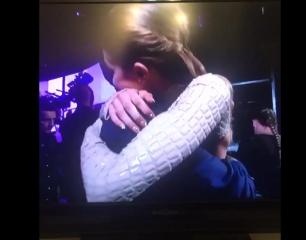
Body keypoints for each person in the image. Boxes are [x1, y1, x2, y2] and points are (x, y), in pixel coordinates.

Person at [81, 4, 255, 202]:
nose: (112, 82)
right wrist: (226, 154)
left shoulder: (137, 121)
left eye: (112, 70)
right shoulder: (132, 116)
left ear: (140, 73)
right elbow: (236, 189)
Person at [60, 84, 98, 203]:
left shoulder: (67, 121)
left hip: (74, 171)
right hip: (95, 171)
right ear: (92, 98)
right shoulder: (99, 117)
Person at [237, 108, 281, 198]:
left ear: (256, 122)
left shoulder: (252, 142)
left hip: (262, 194)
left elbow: (242, 168)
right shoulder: (277, 140)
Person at [39, 97, 62, 203]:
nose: (52, 124)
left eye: (54, 119)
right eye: (47, 120)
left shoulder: (52, 139)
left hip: (52, 199)